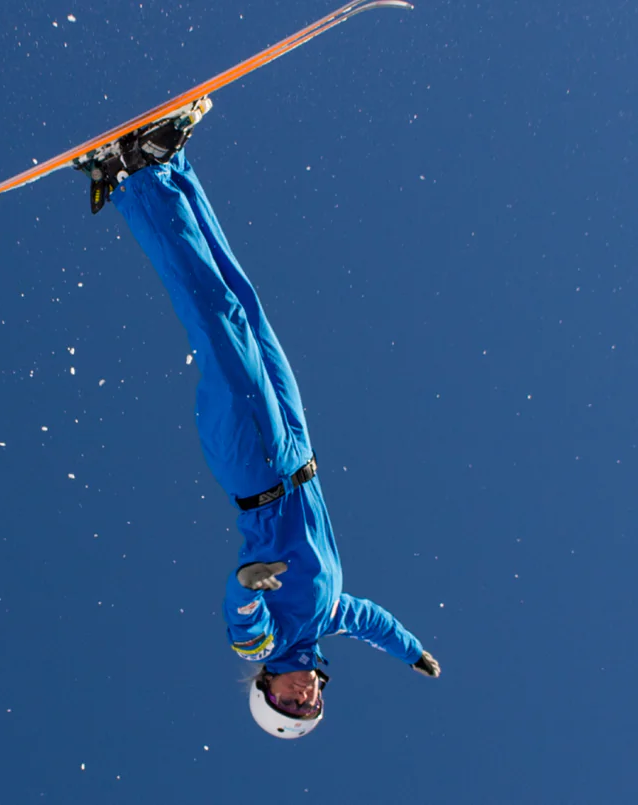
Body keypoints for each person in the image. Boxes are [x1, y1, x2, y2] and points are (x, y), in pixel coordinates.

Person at [74, 98, 441, 740]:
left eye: (287, 705)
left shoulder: (268, 643)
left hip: (253, 465)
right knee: (247, 309)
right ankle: (170, 165)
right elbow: (372, 621)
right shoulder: (326, 619)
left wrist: (248, 582)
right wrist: (412, 652)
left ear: (266, 690)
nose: (303, 697)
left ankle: (127, 180)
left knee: (216, 317)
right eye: (310, 707)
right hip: (297, 450)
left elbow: (240, 616)